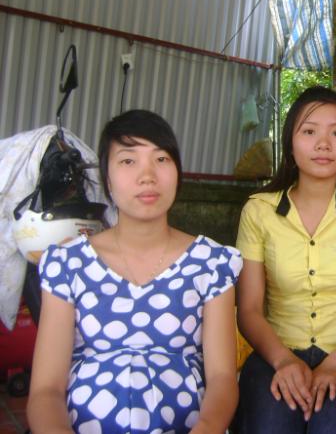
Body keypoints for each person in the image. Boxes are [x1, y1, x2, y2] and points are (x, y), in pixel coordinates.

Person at [27, 110, 242, 434]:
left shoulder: (210, 263)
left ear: (178, 173)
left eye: (161, 159)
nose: (147, 175)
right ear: (107, 179)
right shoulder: (69, 264)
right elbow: (46, 390)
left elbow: (223, 379)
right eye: (128, 161)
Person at [233, 86, 336, 434]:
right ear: (291, 144)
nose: (323, 144)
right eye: (309, 132)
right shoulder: (259, 212)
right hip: (275, 353)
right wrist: (283, 360)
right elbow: (249, 310)